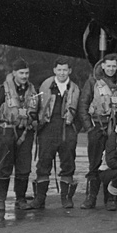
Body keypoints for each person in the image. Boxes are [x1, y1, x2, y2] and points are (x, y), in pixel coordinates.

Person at [78, 53, 117, 210]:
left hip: (116, 129)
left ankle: (110, 199)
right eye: (109, 66)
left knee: (112, 162)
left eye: (114, 66)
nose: (111, 69)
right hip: (98, 126)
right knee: (94, 164)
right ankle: (91, 198)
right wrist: (89, 128)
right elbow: (83, 105)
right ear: (103, 66)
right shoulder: (93, 81)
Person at [0, 58, 40, 213]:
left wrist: (33, 121)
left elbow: (38, 111)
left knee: (24, 166)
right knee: (4, 166)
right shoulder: (2, 89)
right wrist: (1, 128)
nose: (24, 76)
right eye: (21, 73)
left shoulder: (34, 90)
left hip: (26, 132)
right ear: (14, 73)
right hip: (7, 132)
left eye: (26, 73)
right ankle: (1, 201)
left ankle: (21, 199)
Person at [30, 56, 81, 210]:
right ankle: (39, 199)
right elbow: (34, 105)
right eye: (59, 69)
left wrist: (75, 129)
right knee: (43, 164)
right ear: (54, 70)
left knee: (68, 163)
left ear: (70, 71)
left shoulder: (76, 89)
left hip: (67, 129)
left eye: (65, 70)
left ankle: (66, 199)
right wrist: (35, 121)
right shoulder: (44, 86)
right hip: (47, 128)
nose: (62, 73)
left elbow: (80, 110)